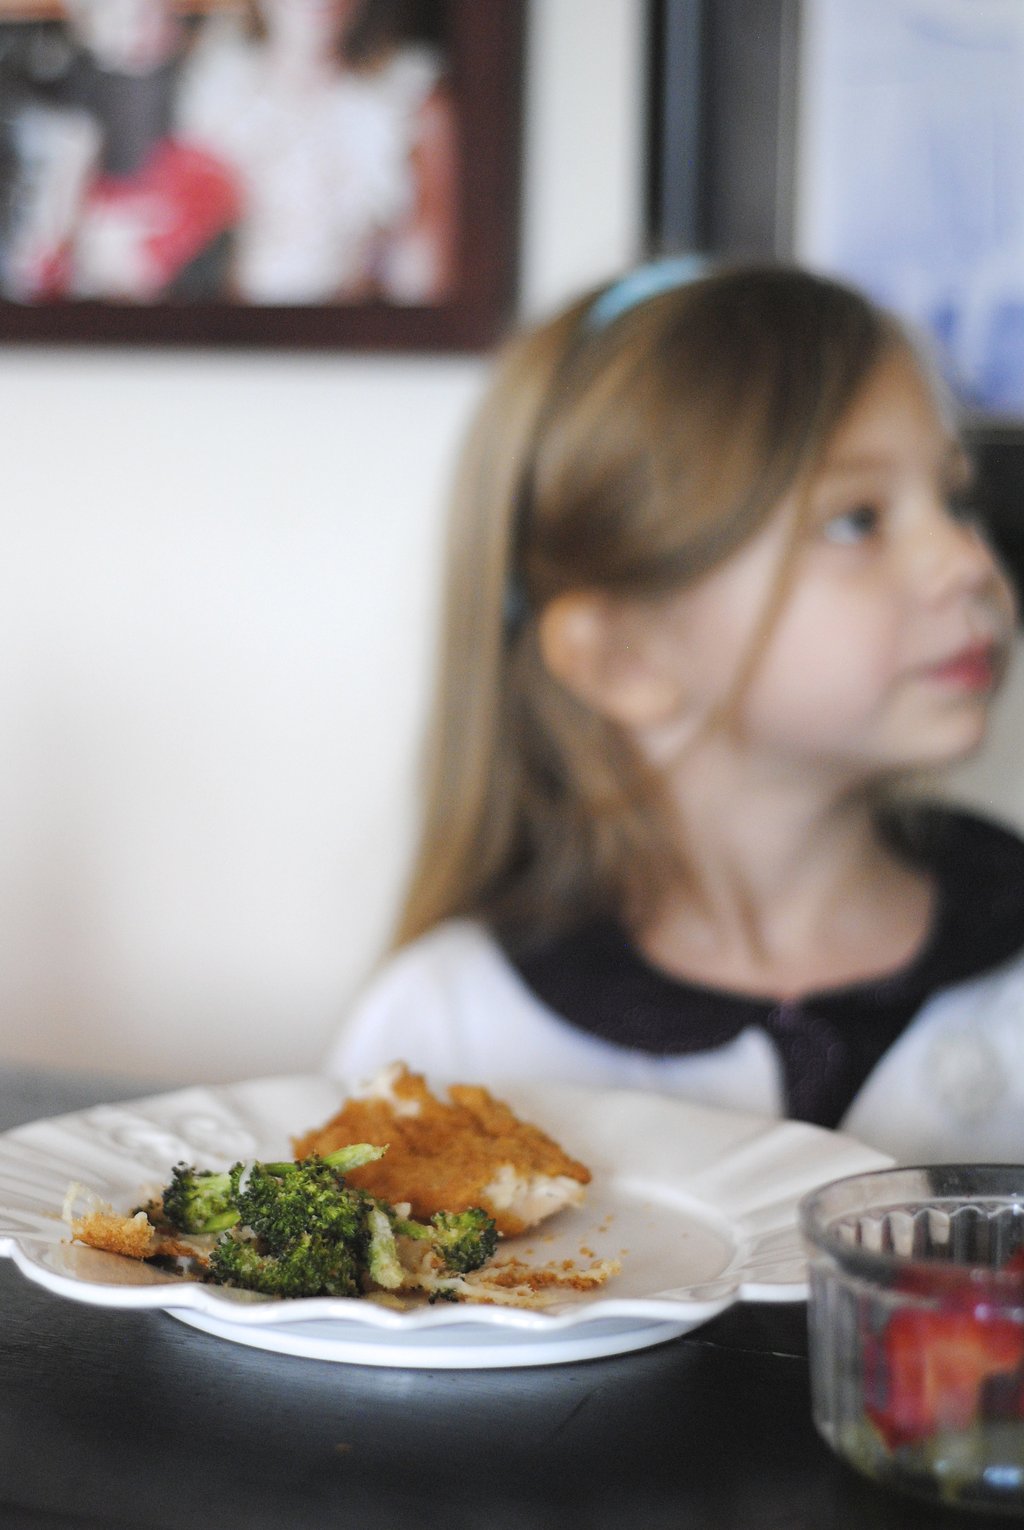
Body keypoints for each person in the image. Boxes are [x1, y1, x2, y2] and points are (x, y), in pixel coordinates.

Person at [325, 259, 1024, 1164]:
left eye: (955, 498)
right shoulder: (452, 1031)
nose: (968, 561)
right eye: (857, 519)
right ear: (624, 657)